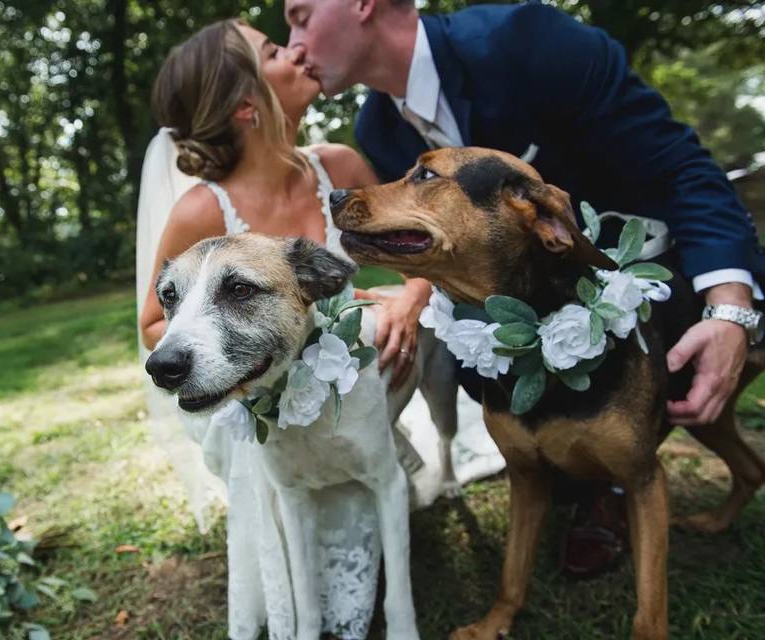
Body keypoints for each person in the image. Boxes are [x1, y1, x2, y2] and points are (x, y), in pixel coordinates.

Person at [285, 0, 764, 576]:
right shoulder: (377, 128)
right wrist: (415, 292)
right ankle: (574, 479)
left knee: (631, 425)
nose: (293, 45)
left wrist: (731, 309)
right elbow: (423, 241)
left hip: (653, 284)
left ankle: (606, 487)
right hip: (503, 328)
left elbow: (679, 168)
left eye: (300, 15)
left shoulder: (527, 40)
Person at [135, 19, 467, 638]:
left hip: (354, 375)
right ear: (244, 105)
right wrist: (243, 354)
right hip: (254, 385)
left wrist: (409, 298)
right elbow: (158, 320)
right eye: (273, 49)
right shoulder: (202, 209)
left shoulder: (339, 163)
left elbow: (417, 246)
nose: (298, 50)